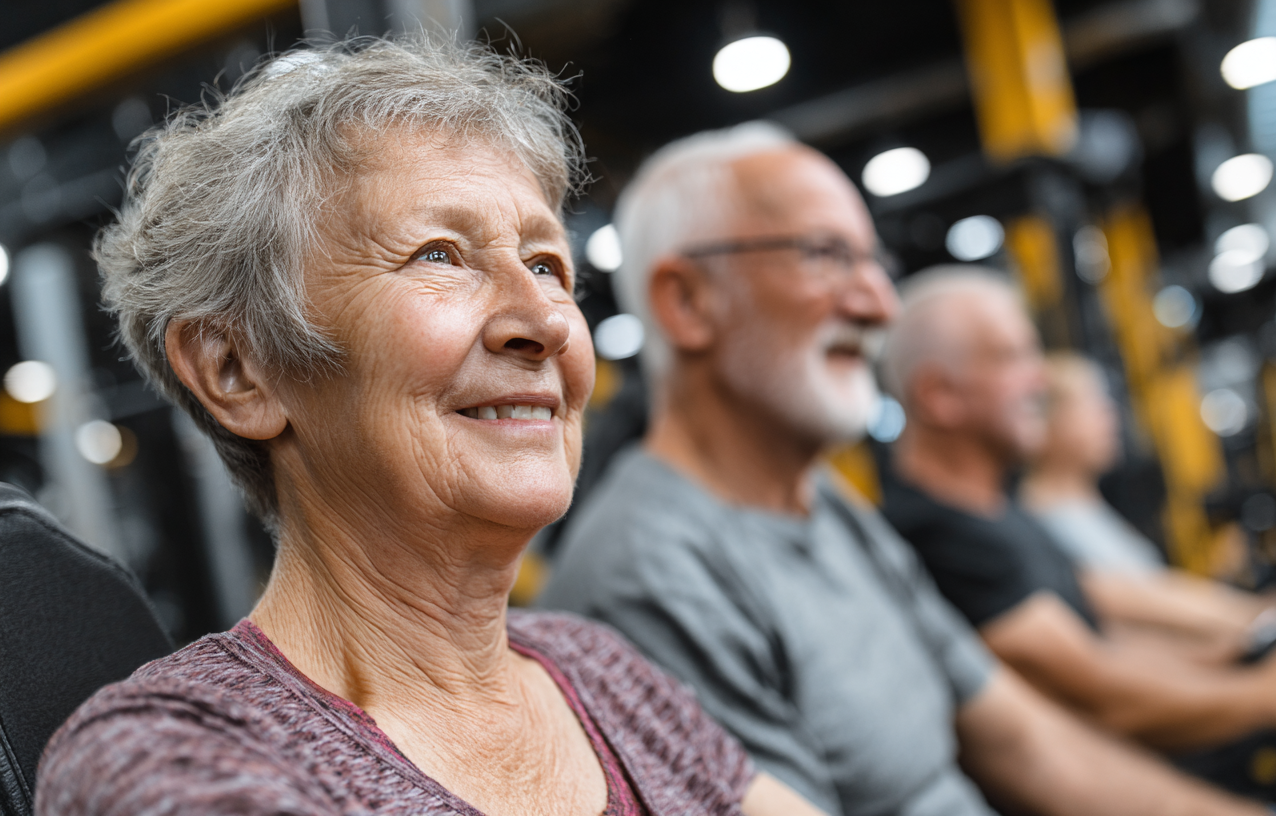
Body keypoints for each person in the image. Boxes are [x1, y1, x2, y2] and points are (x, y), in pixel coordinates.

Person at [36, 38, 820, 816]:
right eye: (439, 255)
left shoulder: (599, 672)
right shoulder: (173, 758)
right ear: (238, 370)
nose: (546, 320)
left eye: (546, 264)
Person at [539, 122, 1266, 816]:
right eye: (826, 255)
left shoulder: (829, 506)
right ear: (687, 301)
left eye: (874, 263)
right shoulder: (653, 575)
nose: (879, 303)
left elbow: (1029, 742)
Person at [878, 268, 1276, 752]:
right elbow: (1098, 698)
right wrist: (1269, 693)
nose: (1040, 378)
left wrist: (1239, 639)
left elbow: (1108, 624)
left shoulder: (999, 514)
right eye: (1011, 356)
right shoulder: (932, 535)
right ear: (939, 396)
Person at [1021, 351, 1276, 652]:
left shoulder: (1086, 505)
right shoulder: (1041, 521)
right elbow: (1125, 605)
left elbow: (1154, 593)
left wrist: (1242, 608)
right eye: (1093, 404)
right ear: (1046, 421)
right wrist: (1248, 617)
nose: (1110, 416)